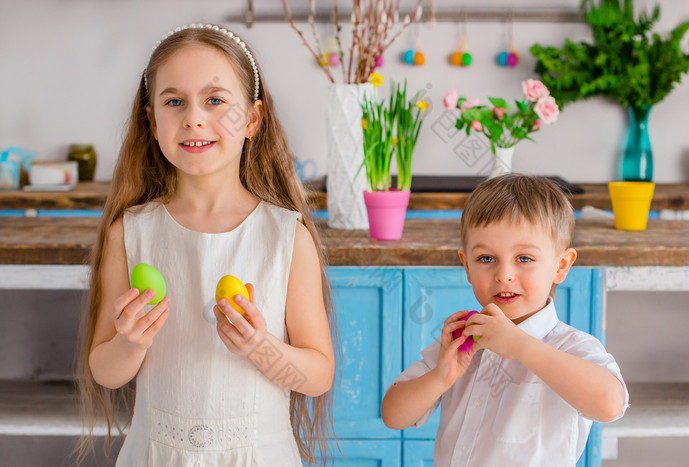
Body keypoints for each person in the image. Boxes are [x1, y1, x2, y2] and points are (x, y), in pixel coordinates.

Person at [75, 24, 335, 466]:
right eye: (174, 102)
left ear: (251, 120)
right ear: (152, 122)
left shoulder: (285, 235)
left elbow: (318, 376)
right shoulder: (132, 232)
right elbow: (105, 370)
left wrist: (260, 346)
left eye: (215, 100)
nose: (194, 117)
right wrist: (131, 342)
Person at [381, 174, 628, 466]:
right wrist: (440, 377)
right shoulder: (461, 341)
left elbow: (610, 404)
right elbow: (393, 416)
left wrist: (520, 345)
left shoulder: (572, 347)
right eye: (486, 259)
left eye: (524, 258)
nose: (504, 275)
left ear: (561, 266)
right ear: (467, 267)